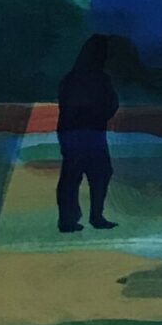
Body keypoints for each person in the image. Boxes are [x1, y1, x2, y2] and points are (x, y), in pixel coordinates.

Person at [56, 35, 119, 233]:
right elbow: (112, 104)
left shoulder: (71, 78)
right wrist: (98, 116)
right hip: (91, 133)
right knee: (99, 174)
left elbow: (65, 106)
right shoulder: (101, 79)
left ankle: (68, 219)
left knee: (72, 176)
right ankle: (95, 216)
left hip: (72, 133)